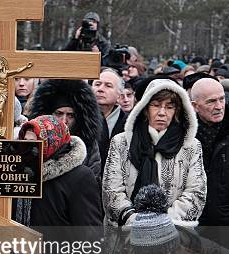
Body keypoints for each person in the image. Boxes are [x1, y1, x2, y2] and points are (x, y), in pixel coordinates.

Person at [15, 114, 104, 254]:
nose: (30, 150)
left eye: (36, 144)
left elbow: (89, 234)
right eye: (25, 144)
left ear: (53, 144)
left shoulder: (79, 176)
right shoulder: (20, 175)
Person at [102, 79, 206, 228]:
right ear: (145, 109)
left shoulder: (190, 146)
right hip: (126, 234)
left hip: (175, 233)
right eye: (156, 105)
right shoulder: (121, 143)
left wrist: (165, 222)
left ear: (177, 111)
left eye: (170, 107)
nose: (162, 113)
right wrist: (135, 220)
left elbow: (196, 192)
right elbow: (111, 191)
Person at [27, 79, 102, 184]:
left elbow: (92, 181)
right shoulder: (32, 140)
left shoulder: (89, 145)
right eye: (59, 113)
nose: (63, 121)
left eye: (70, 115)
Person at [192, 78, 228, 226]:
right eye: (211, 101)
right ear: (195, 106)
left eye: (222, 99)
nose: (219, 106)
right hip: (195, 222)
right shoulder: (182, 134)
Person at [93, 68, 128, 172]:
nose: (100, 89)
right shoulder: (80, 118)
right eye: (97, 84)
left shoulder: (130, 123)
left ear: (119, 96)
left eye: (108, 86)